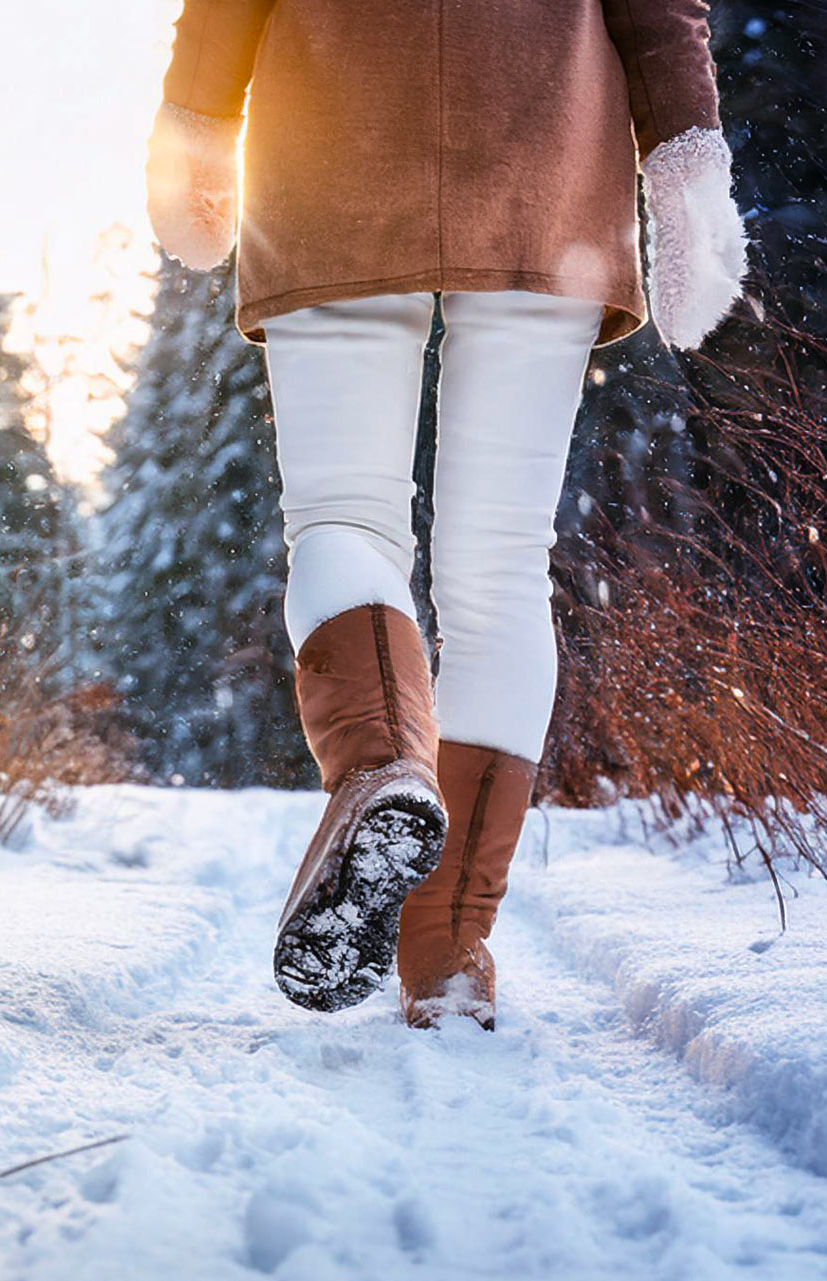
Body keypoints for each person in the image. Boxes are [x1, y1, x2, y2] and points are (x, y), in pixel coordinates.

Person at [145, 0, 746, 1029]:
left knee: (342, 519)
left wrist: (195, 111)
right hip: (542, 152)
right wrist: (686, 159)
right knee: (503, 566)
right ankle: (449, 950)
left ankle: (380, 766)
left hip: (332, 138)